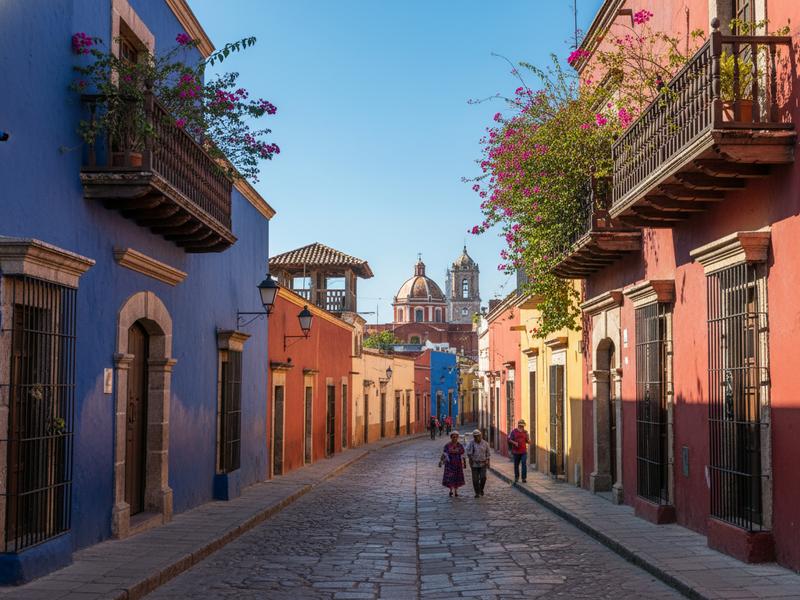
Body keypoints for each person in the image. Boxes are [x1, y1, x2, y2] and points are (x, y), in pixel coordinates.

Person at [439, 431, 466, 496]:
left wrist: (464, 463)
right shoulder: (447, 445)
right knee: (450, 477)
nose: (455, 438)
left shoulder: (460, 445)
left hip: (458, 464)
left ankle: (456, 491)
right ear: (451, 438)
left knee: (457, 477)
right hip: (449, 464)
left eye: (456, 437)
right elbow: (444, 453)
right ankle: (451, 490)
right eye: (453, 437)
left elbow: (463, 452)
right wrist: (441, 461)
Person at [466, 429, 491, 498]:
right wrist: (470, 458)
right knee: (475, 479)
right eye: (476, 436)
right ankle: (477, 492)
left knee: (483, 478)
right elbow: (467, 451)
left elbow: (488, 454)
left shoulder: (485, 443)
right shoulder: (471, 443)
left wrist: (488, 462)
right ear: (474, 437)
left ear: (481, 435)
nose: (477, 438)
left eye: (478, 436)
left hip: (483, 463)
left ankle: (481, 489)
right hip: (474, 464)